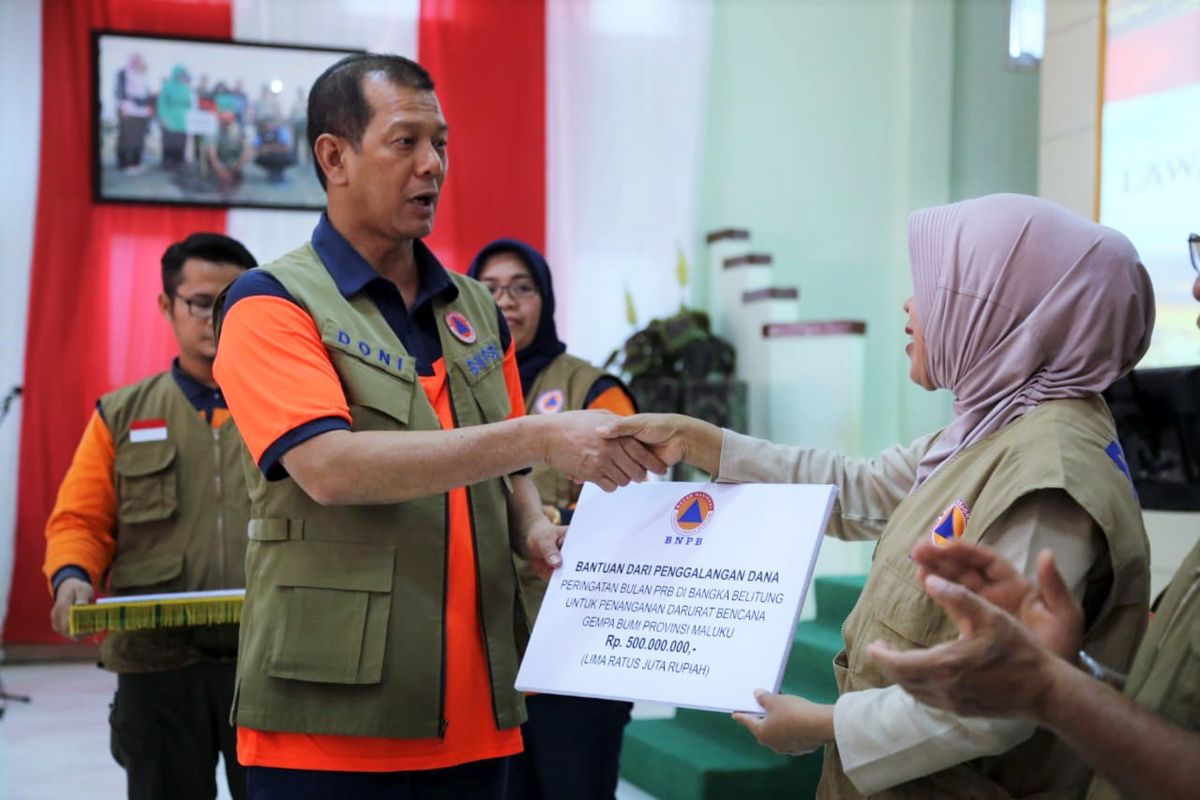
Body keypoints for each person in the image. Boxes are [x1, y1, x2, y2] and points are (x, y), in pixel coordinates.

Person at [211, 53, 664, 800]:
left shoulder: (475, 311)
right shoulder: (270, 305)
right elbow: (329, 467)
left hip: (481, 712)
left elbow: (509, 470)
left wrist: (533, 527)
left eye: (442, 144)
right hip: (332, 726)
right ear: (334, 157)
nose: (433, 166)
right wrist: (539, 438)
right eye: (405, 142)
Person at [600, 193, 1156, 798]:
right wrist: (701, 442)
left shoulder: (1051, 475)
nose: (910, 304)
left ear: (1008, 312)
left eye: (940, 287)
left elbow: (1000, 700)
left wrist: (822, 724)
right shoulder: (999, 423)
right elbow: (860, 486)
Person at [867, 242, 1200, 800]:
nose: (1194, 287)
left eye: (944, 284)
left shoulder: (1052, 462)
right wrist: (1073, 672)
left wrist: (1050, 688)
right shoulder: (988, 425)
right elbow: (1167, 705)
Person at [43, 233, 258, 800]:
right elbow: (81, 521)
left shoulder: (290, 412)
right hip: (157, 667)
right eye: (200, 301)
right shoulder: (121, 415)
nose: (217, 316)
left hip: (268, 661)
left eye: (233, 300)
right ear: (166, 306)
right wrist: (71, 577)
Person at [468, 239, 637, 800]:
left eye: (521, 287)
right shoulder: (459, 391)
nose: (506, 301)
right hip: (483, 653)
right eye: (489, 289)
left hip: (578, 651)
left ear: (545, 297)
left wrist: (548, 519)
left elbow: (633, 504)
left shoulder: (592, 390)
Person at [114, 53, 152, 173]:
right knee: (127, 139)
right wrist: (123, 106)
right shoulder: (123, 73)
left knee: (139, 139)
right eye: (135, 60)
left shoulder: (143, 75)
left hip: (142, 113)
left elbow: (146, 94)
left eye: (139, 60)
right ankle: (124, 164)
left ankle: (136, 163)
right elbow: (119, 92)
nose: (137, 62)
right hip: (128, 111)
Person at [157, 65, 193, 169]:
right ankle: (168, 162)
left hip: (183, 120)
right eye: (180, 73)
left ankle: (179, 162)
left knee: (181, 141)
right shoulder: (167, 86)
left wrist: (191, 118)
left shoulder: (186, 87)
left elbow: (189, 104)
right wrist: (163, 117)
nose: (182, 76)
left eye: (183, 74)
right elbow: (161, 103)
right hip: (169, 118)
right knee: (169, 141)